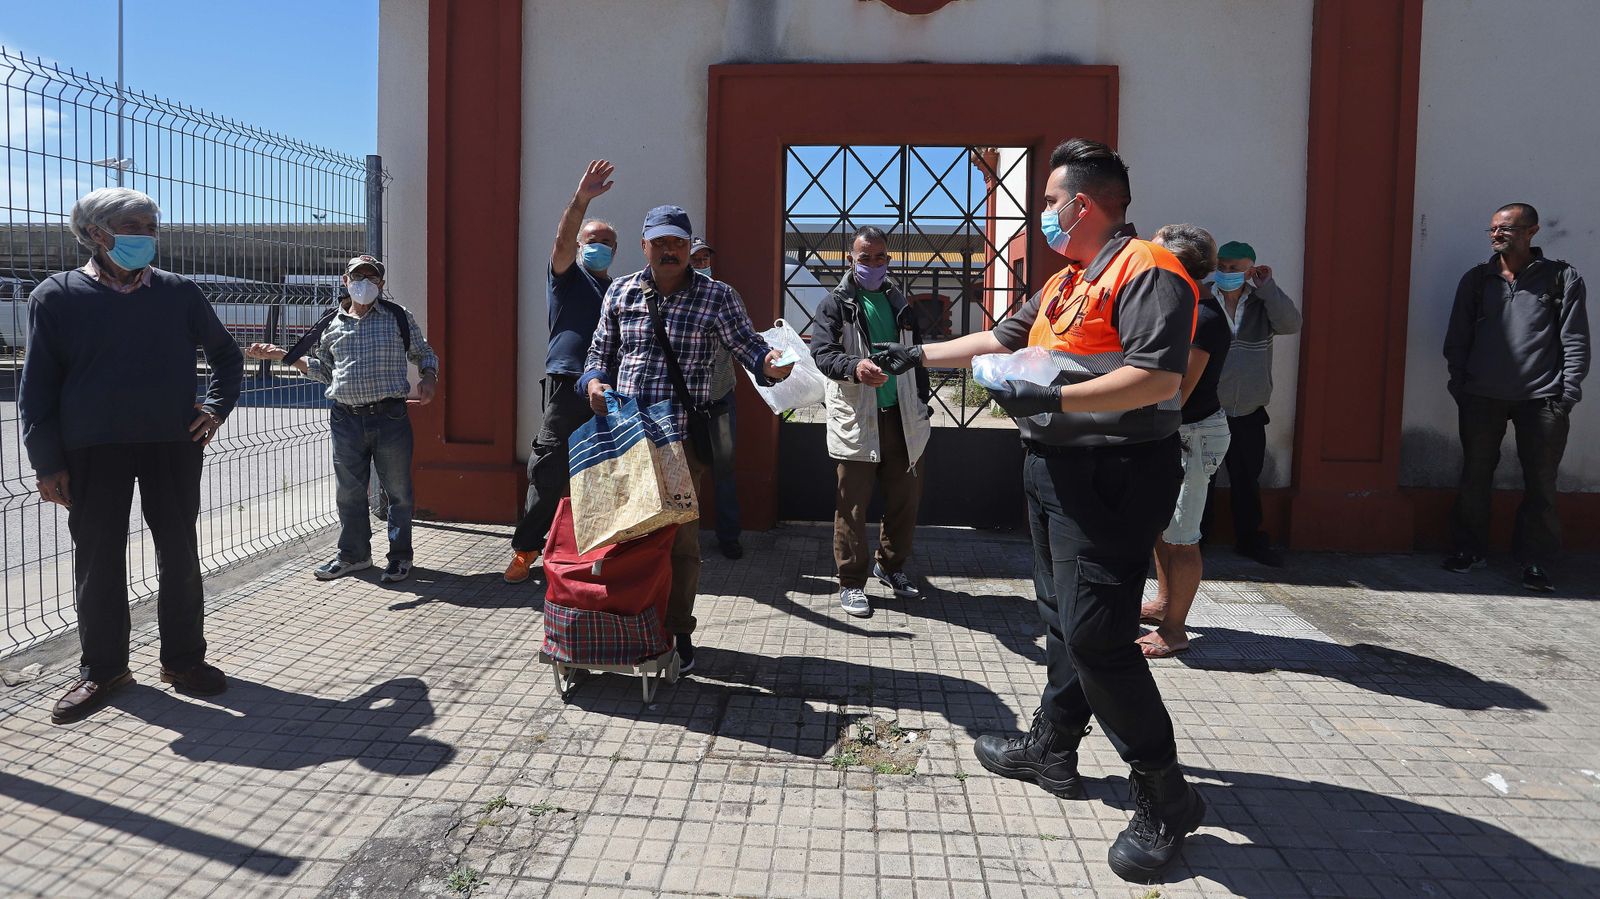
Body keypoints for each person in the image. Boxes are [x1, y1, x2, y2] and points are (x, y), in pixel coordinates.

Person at [874, 139, 1206, 880]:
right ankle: (1053, 747)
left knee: (1097, 637)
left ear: (1082, 203)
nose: (1046, 215)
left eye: (1051, 201)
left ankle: (1165, 792)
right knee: (1060, 620)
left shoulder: (1149, 271)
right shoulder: (1069, 279)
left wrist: (1053, 396)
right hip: (1052, 467)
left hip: (1115, 474)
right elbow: (1001, 337)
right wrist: (916, 355)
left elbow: (1156, 378)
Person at [20, 187, 242, 724]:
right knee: (97, 561)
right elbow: (38, 387)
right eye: (138, 225)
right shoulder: (56, 296)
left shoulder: (178, 293)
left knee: (180, 554)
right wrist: (47, 462)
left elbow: (225, 355)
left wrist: (214, 408)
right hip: (91, 451)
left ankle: (184, 661)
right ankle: (104, 670)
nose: (149, 236)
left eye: (152, 227)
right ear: (97, 233)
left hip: (172, 445)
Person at [579, 206, 794, 673]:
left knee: (680, 546)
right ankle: (627, 626)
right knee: (622, 539)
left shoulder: (717, 297)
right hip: (624, 442)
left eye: (678, 242)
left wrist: (770, 365)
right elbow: (599, 352)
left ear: (690, 245)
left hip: (680, 444)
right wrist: (594, 383)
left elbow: (748, 346)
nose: (670, 250)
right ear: (644, 247)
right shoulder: (621, 291)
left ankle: (677, 631)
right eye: (660, 243)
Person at [246, 255, 438, 584]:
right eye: (357, 276)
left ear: (381, 283)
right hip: (345, 419)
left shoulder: (397, 317)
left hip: (390, 417)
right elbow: (323, 371)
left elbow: (422, 351)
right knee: (349, 492)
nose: (364, 282)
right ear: (344, 281)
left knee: (398, 492)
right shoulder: (330, 324)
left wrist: (429, 376)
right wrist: (282, 354)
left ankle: (400, 557)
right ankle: (354, 555)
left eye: (372, 277)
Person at [1443, 202, 1588, 592]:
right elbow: (1457, 339)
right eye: (1492, 230)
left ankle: (1536, 561)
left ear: (1531, 231)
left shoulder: (1561, 278)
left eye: (1505, 228)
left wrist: (1566, 394)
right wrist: (1461, 384)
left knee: (1540, 482)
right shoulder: (1477, 279)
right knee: (1474, 475)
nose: (1496, 235)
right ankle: (1468, 549)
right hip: (1481, 396)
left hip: (1542, 400)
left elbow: (1574, 339)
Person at [502, 161, 619, 583]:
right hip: (566, 383)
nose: (599, 246)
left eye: (607, 242)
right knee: (548, 467)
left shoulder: (619, 292)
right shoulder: (568, 278)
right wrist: (581, 201)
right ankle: (527, 548)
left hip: (607, 390)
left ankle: (592, 553)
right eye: (593, 240)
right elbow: (562, 240)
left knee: (602, 471)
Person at [810, 225, 931, 618]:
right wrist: (855, 367)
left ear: (888, 260)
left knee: (905, 501)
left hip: (902, 418)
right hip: (859, 418)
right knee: (852, 505)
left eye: (880, 257)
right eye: (865, 257)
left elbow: (919, 357)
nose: (873, 264)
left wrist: (923, 403)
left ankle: (891, 567)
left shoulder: (901, 303)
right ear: (851, 259)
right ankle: (851, 582)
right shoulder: (835, 304)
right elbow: (822, 354)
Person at [1139, 224, 1229, 658]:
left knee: (1182, 536)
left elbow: (1177, 393)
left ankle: (1175, 629)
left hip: (1192, 434)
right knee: (1163, 525)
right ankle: (1162, 604)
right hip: (1174, 432)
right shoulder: (1185, 307)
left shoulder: (1204, 319)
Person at [1203, 240, 1301, 567]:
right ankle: (1195, 541)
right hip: (1207, 407)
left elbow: (1291, 324)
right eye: (1223, 266)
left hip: (1248, 410)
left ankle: (1250, 539)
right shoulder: (1203, 296)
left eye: (1235, 267)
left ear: (1250, 269)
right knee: (1201, 479)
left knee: (1247, 479)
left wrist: (1268, 287)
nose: (1227, 273)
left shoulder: (1262, 302)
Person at [691, 237, 745, 560]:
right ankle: (684, 538)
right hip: (685, 404)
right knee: (681, 470)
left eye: (704, 259)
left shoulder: (726, 296)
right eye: (695, 259)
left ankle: (729, 537)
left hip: (720, 397)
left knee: (724, 468)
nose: (701, 264)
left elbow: (741, 339)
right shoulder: (677, 296)